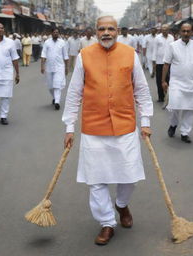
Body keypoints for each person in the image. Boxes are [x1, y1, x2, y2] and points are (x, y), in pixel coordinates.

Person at [62, 15, 153, 245]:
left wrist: (146, 122)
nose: (106, 32)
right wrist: (70, 126)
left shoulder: (130, 54)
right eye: (102, 28)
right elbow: (74, 93)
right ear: (95, 31)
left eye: (110, 29)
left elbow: (141, 90)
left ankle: (121, 205)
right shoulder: (85, 56)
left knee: (129, 176)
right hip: (93, 129)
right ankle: (106, 222)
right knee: (96, 180)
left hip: (125, 126)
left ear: (118, 31)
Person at [162, 23, 193, 143]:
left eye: (188, 31)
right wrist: (163, 81)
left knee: (190, 109)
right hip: (176, 83)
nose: (186, 33)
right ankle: (173, 124)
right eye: (184, 31)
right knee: (174, 106)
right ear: (180, 32)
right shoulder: (172, 46)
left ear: (192, 32)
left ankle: (185, 132)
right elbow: (166, 64)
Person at [0, 23, 20, 125]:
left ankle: (3, 116)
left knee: (5, 96)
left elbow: (15, 58)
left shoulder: (10, 43)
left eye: (2, 28)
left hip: (6, 73)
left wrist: (17, 74)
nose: (0, 30)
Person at [41, 28, 69, 110]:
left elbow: (65, 56)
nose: (56, 34)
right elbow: (43, 55)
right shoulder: (47, 42)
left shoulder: (62, 43)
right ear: (51, 33)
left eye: (57, 32)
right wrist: (42, 66)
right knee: (50, 86)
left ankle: (57, 101)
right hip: (49, 67)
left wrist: (66, 67)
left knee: (57, 84)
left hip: (59, 67)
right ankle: (54, 97)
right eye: (54, 32)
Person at [152, 24, 174, 102]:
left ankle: (169, 96)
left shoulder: (172, 38)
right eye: (163, 29)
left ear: (168, 30)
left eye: (166, 29)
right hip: (159, 62)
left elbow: (174, 49)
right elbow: (154, 50)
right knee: (159, 80)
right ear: (161, 30)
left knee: (169, 79)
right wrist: (154, 63)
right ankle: (161, 96)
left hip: (169, 62)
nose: (164, 30)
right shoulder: (157, 38)